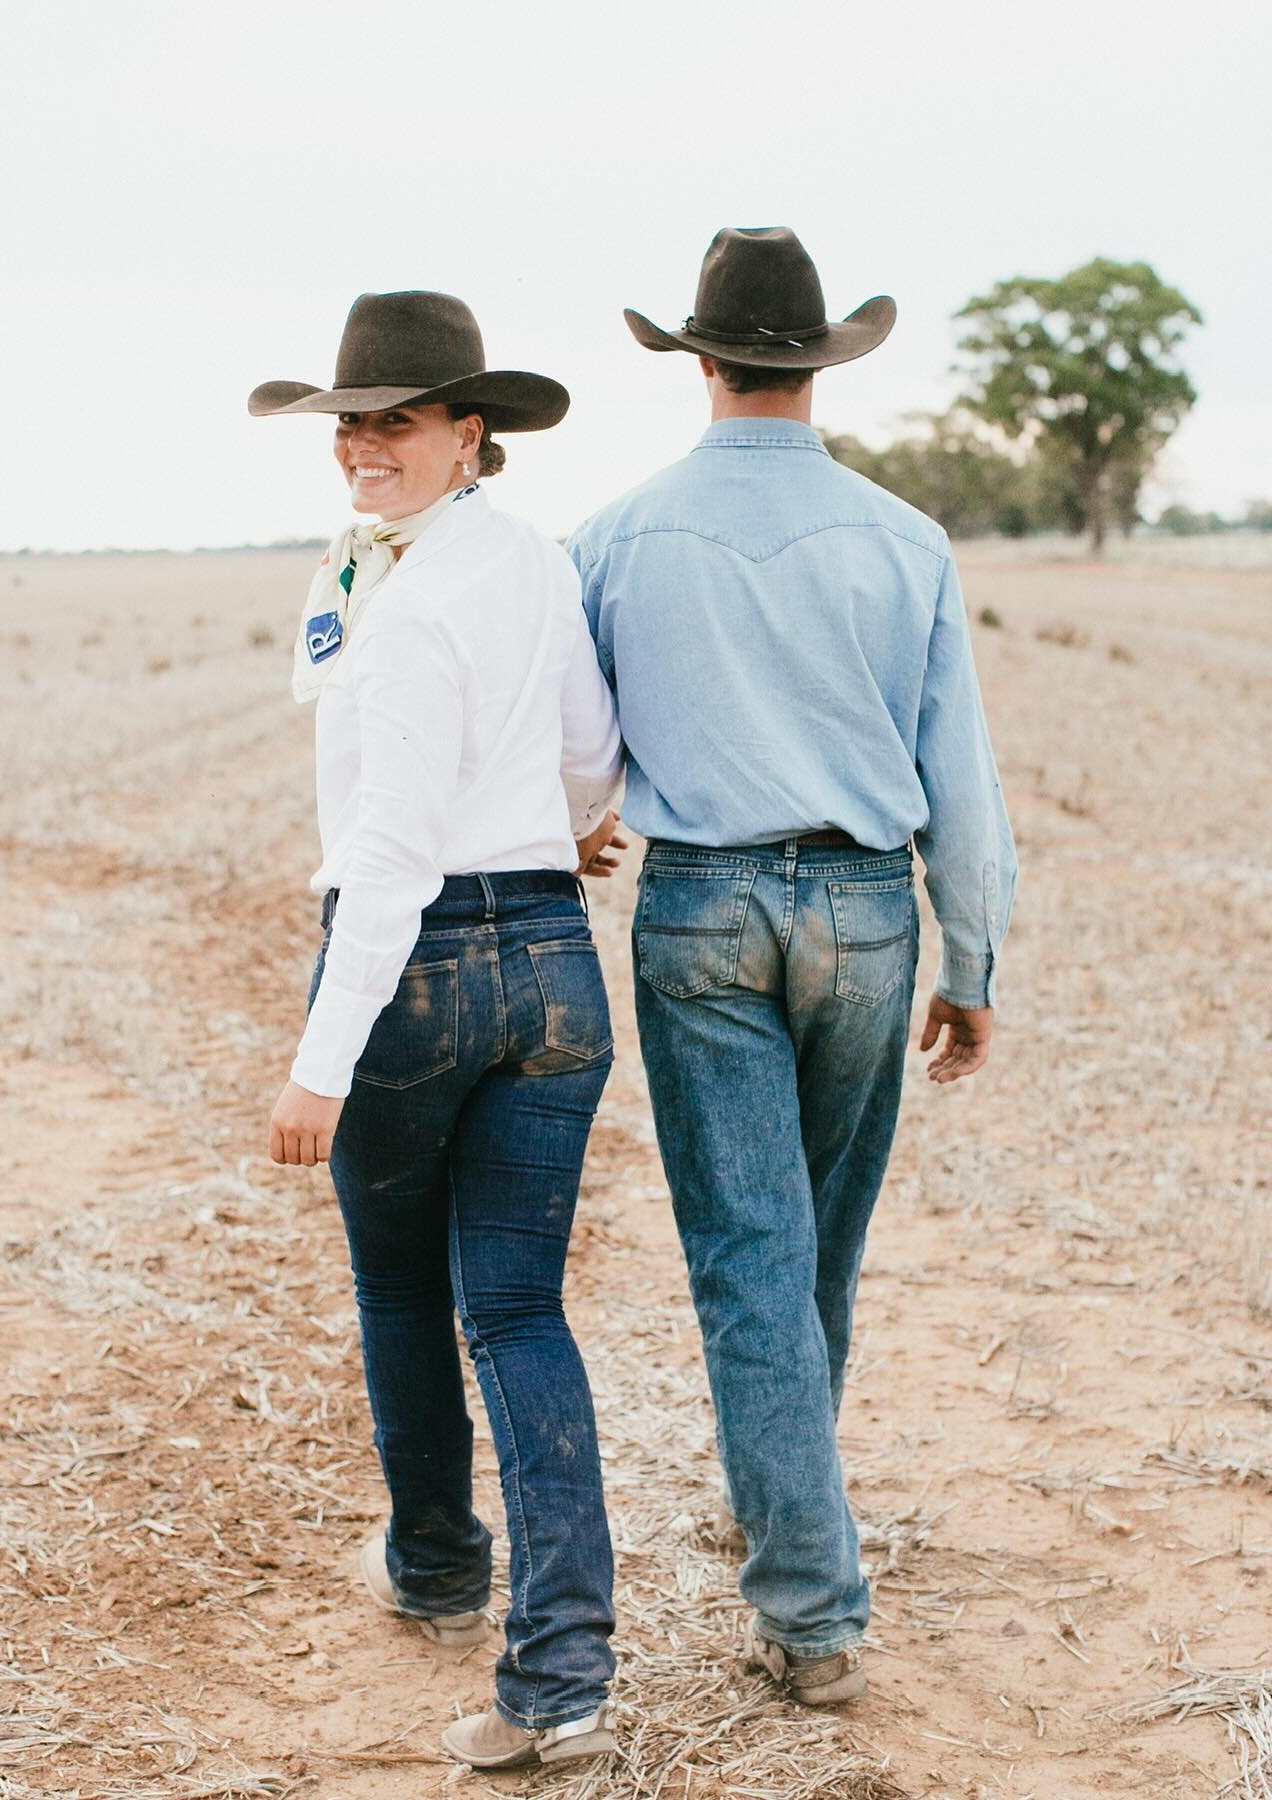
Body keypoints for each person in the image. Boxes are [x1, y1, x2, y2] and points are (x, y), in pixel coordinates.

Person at [566, 227, 1017, 1705]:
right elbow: (962, 775)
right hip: (870, 906)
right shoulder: (905, 539)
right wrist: (976, 955)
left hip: (700, 908)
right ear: (817, 367)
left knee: (749, 1253)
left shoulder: (618, 537)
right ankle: (794, 1533)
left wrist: (579, 822)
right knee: (816, 1242)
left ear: (699, 361)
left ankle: (807, 1592)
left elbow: (578, 741)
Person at [251, 290, 628, 1770]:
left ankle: (434, 1568)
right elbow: (592, 745)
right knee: (520, 1312)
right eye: (350, 421)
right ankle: (564, 1675)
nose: (362, 445)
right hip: (550, 961)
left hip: (416, 967)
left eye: (395, 420)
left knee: (410, 1298)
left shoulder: (400, 610)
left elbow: (394, 856)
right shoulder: (528, 564)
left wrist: (317, 1066)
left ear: (472, 433)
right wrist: (565, 833)